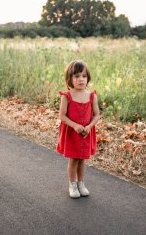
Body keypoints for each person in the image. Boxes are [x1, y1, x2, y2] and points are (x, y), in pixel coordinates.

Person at [57, 60, 100, 198]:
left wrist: (89, 126)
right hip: (72, 133)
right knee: (74, 160)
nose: (81, 79)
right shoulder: (67, 96)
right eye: (76, 76)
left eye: (84, 76)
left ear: (88, 78)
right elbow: (62, 116)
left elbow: (96, 115)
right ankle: (72, 184)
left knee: (82, 159)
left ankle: (81, 183)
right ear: (70, 79)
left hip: (85, 133)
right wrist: (75, 125)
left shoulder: (91, 96)